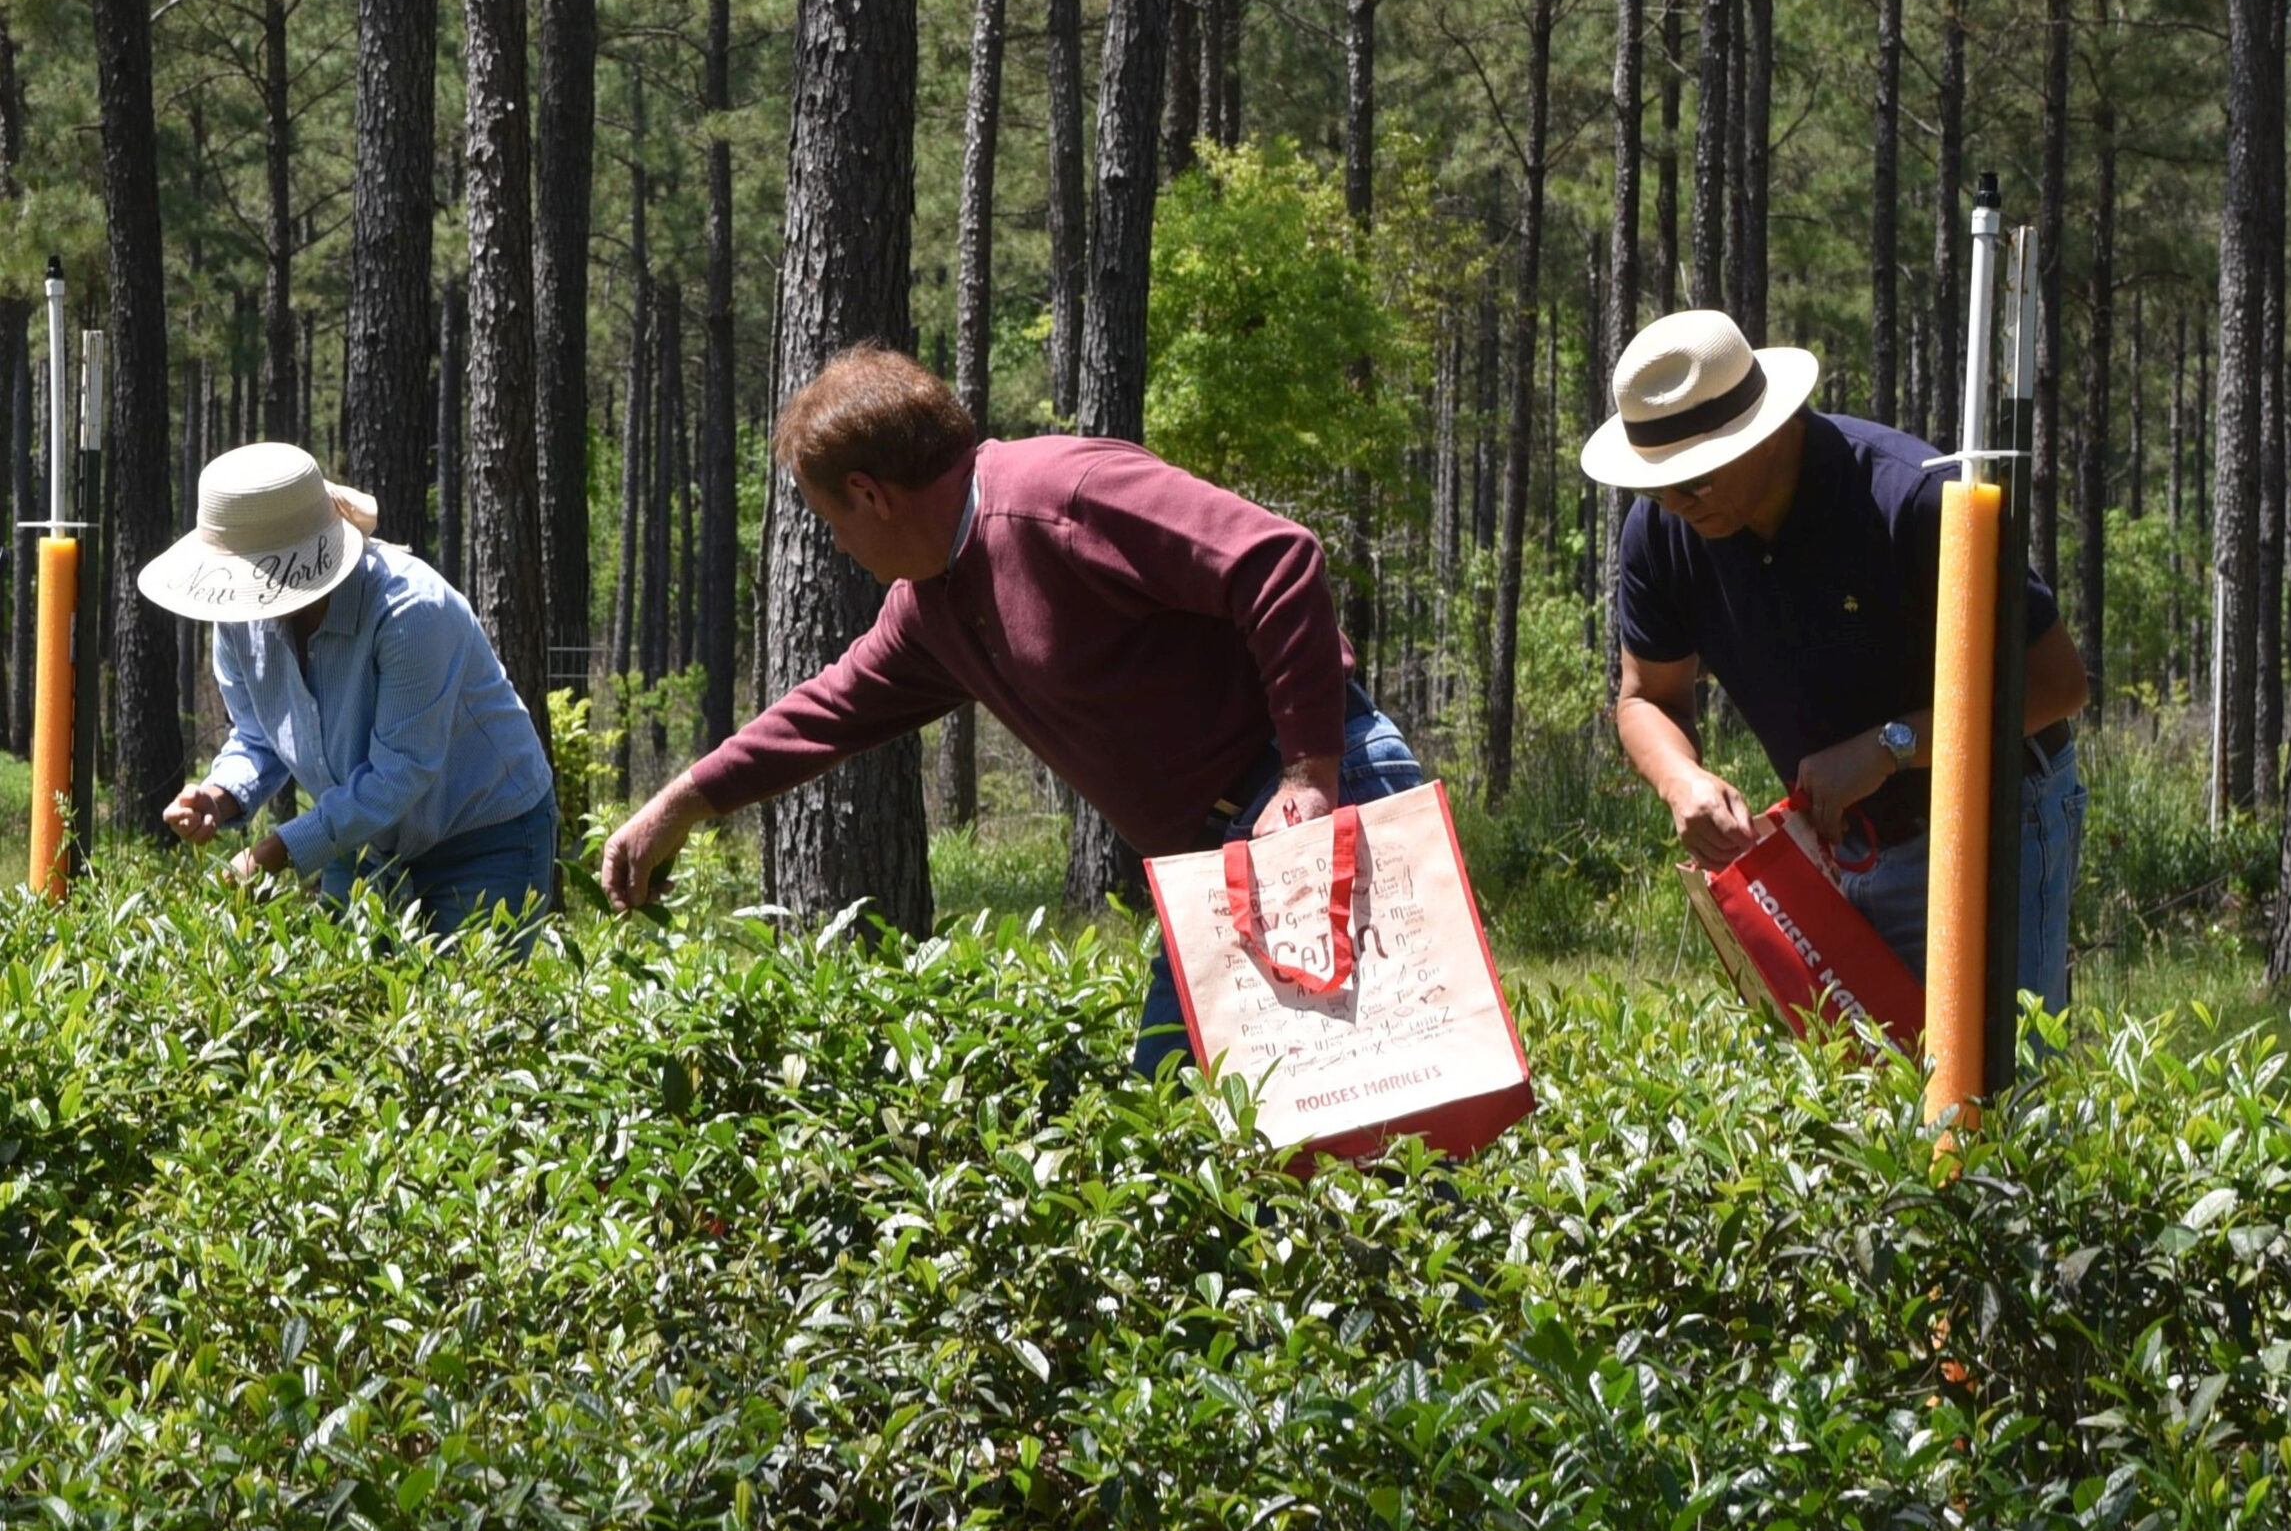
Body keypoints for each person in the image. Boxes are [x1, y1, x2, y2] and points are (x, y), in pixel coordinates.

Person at [599, 347, 1424, 1074]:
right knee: (1187, 1140)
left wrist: (1309, 776)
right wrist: (680, 805)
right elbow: (826, 712)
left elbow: (1276, 560)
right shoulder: (930, 609)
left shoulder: (1062, 493)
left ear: (869, 493)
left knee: (1400, 1113)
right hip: (1219, 858)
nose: (842, 549)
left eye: (832, 523)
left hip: (1318, 788)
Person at [1582, 309, 2090, 1018]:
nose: (1674, 501)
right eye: (1656, 483)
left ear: (1768, 430)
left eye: (1695, 478)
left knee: (1994, 1091)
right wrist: (1681, 779)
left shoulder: (1910, 498)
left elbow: (2056, 686)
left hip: (1987, 817)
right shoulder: (1668, 529)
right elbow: (1646, 699)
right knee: (1860, 1093)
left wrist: (1890, 746)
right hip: (1831, 849)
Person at [144, 442, 559, 947]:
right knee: (352, 1008)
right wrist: (219, 796)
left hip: (481, 835)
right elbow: (258, 737)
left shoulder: (409, 610)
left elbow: (399, 771)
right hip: (358, 838)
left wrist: (274, 854)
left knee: (469, 1015)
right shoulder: (237, 619)